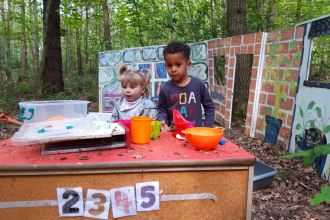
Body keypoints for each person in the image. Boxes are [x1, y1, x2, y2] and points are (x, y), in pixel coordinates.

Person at [158, 41, 215, 131]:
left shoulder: (198, 84)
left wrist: (207, 128)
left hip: (195, 134)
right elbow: (162, 110)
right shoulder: (165, 88)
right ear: (165, 66)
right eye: (169, 65)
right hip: (173, 135)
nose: (173, 69)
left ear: (188, 65)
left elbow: (209, 106)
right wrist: (162, 121)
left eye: (178, 65)